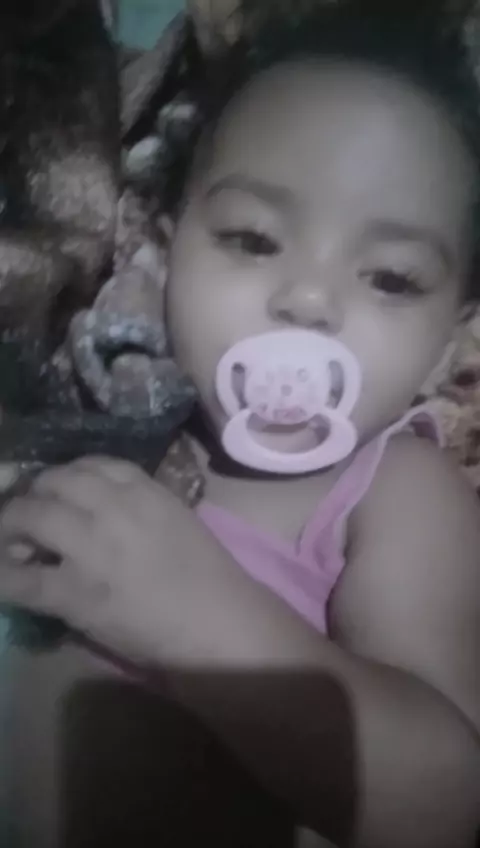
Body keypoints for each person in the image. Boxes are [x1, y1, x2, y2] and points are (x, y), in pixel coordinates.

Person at [0, 2, 479, 846]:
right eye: (254, 239)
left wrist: (198, 620)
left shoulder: (394, 489)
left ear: (450, 335)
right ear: (165, 250)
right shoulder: (99, 410)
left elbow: (443, 807)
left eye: (392, 279)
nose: (309, 300)